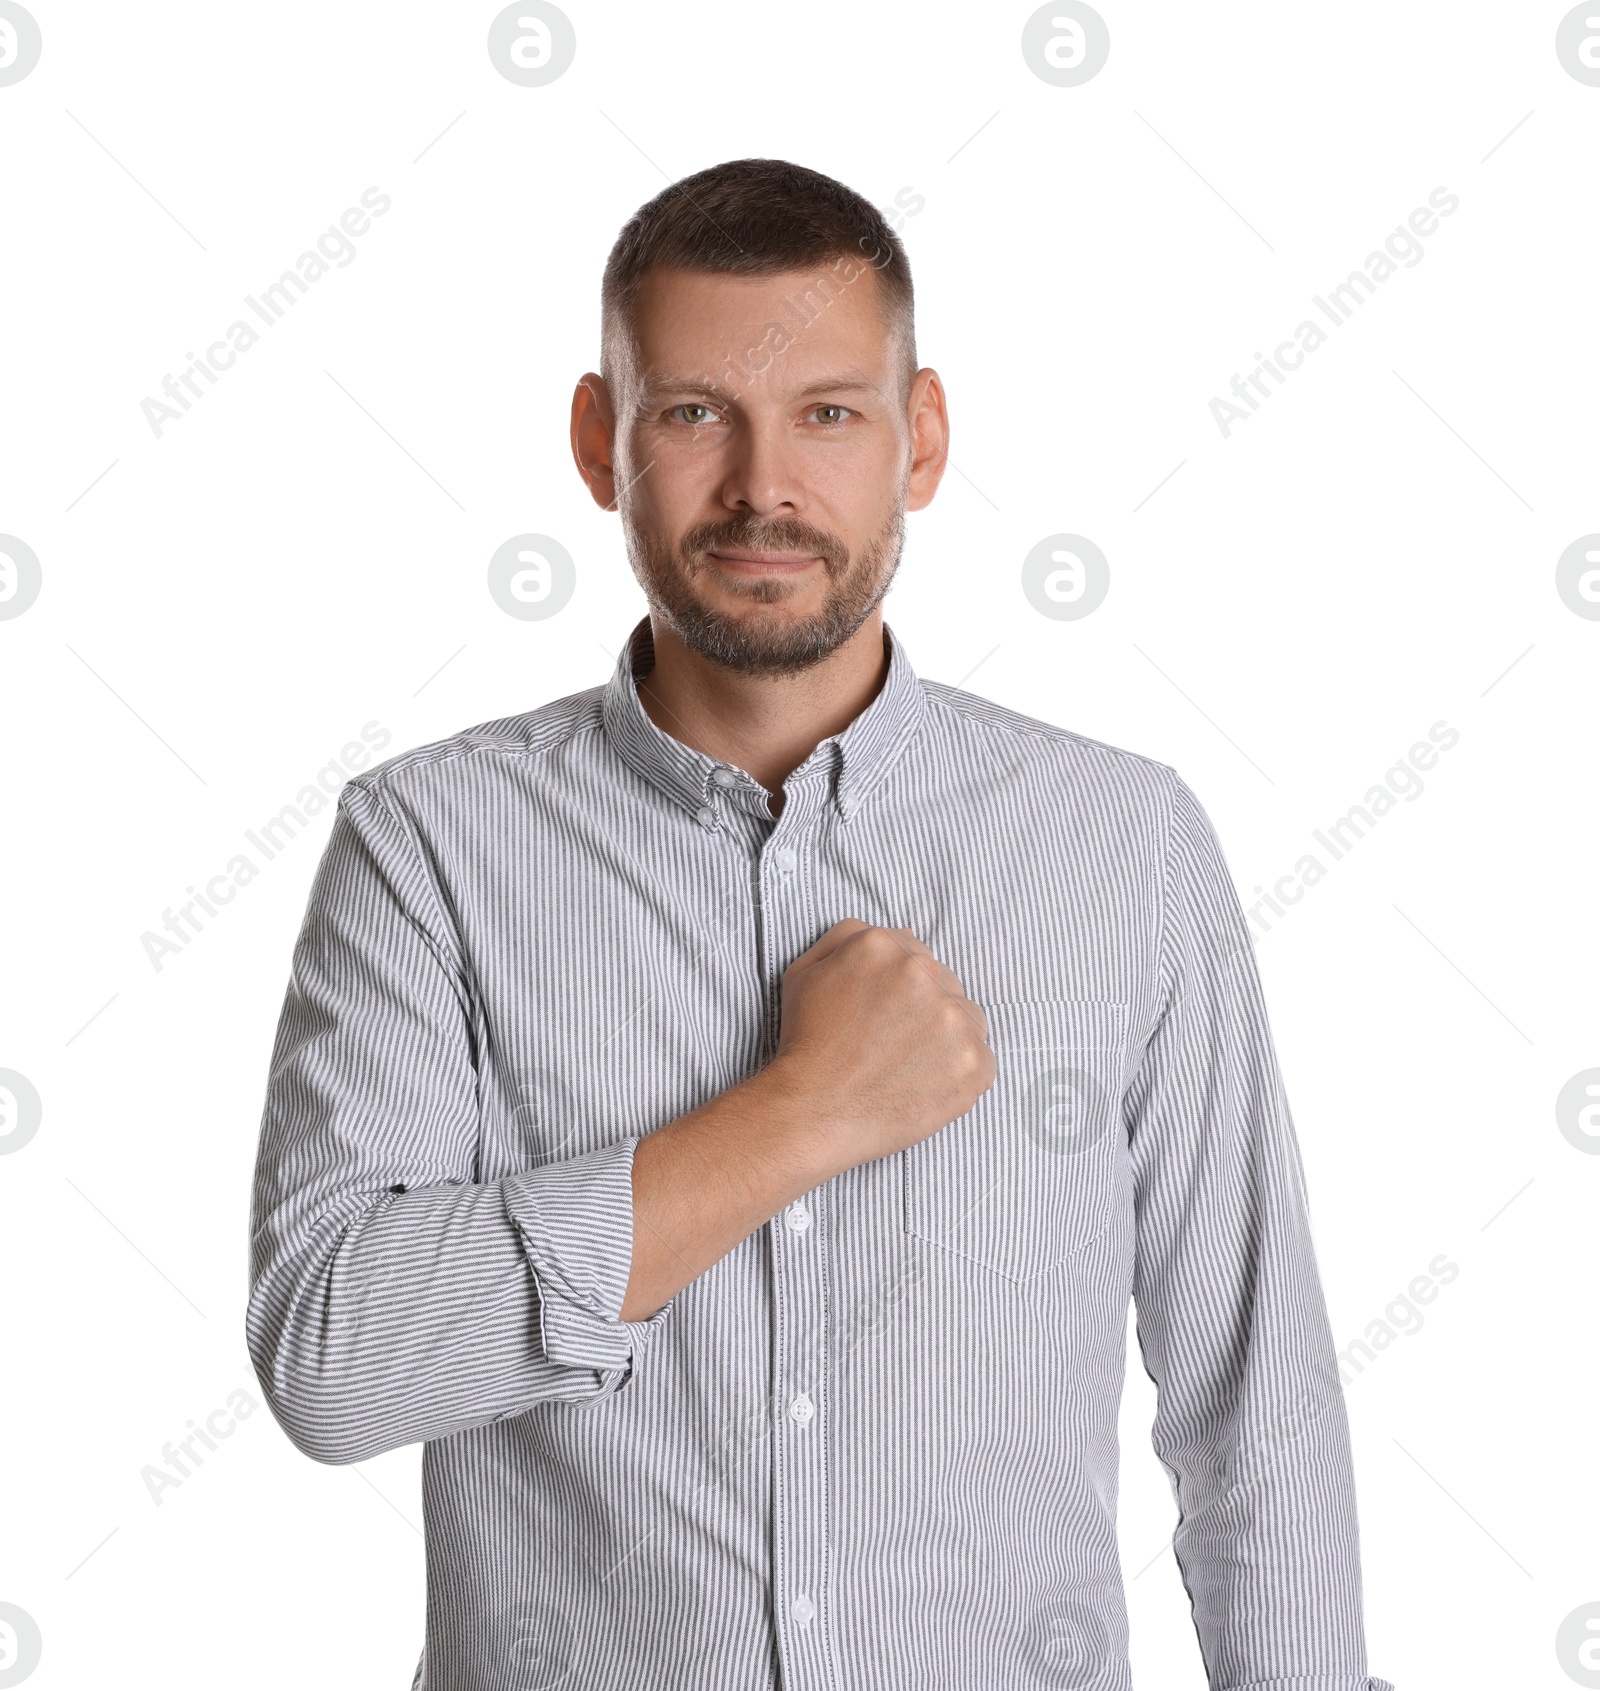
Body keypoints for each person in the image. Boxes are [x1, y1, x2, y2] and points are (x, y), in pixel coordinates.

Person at [246, 156, 1394, 1690]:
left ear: (921, 442)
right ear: (603, 443)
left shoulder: (1119, 843)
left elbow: (1252, 1399)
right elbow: (336, 1359)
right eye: (695, 413)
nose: (762, 488)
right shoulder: (429, 846)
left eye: (829, 415)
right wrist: (793, 1119)